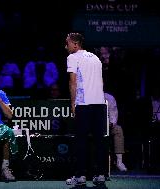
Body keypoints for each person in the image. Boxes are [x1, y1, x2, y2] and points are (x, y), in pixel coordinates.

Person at [65, 33, 107, 187]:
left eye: (67, 43)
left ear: (75, 44)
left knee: (81, 141)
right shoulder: (95, 58)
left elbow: (73, 82)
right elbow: (101, 81)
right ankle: (100, 175)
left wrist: (73, 103)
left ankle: (80, 176)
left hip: (83, 104)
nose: (66, 46)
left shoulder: (73, 57)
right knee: (99, 141)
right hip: (100, 104)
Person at [104, 92, 128, 171]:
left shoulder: (109, 98)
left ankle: (119, 162)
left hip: (107, 127)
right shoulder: (89, 96)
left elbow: (113, 116)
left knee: (118, 130)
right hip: (92, 127)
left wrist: (110, 124)